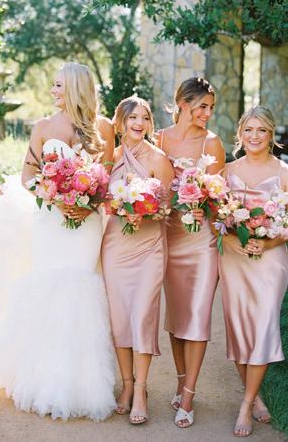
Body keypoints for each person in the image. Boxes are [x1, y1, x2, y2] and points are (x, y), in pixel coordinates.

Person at [0, 62, 117, 420]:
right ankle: (42, 381)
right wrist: (55, 197)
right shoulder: (42, 127)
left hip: (86, 222)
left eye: (58, 85)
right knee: (48, 289)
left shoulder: (103, 128)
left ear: (76, 88)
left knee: (81, 289)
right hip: (50, 220)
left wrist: (86, 203)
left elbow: (107, 176)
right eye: (52, 85)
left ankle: (82, 385)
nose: (53, 91)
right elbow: (27, 176)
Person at [156, 77, 225, 428]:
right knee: (176, 317)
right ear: (183, 103)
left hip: (201, 242)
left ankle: (189, 395)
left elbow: (219, 198)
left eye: (211, 108)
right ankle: (181, 378)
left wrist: (205, 209)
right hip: (169, 236)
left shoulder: (213, 143)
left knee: (197, 315)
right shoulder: (159, 139)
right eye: (202, 106)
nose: (207, 114)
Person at [101, 96, 174, 425]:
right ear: (120, 122)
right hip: (116, 246)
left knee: (143, 315)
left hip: (149, 247)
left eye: (145, 117)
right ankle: (127, 384)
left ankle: (142, 390)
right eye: (132, 117)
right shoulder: (110, 157)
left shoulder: (159, 159)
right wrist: (120, 209)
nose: (139, 123)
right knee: (119, 317)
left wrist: (145, 214)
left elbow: (168, 208)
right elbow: (101, 199)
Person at [218, 106, 288, 437]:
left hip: (270, 261)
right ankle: (255, 396)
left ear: (271, 134)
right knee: (239, 328)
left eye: (261, 130)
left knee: (262, 327)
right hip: (234, 260)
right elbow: (215, 216)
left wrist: (269, 243)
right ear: (240, 134)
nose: (254, 136)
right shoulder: (227, 170)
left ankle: (245, 405)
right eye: (249, 130)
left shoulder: (284, 172)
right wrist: (231, 240)